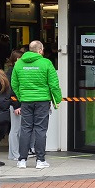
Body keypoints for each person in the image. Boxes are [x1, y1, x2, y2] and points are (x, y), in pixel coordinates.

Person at [12, 40, 62, 169]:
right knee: (40, 129)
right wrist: (57, 99)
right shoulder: (46, 63)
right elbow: (54, 84)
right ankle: (40, 160)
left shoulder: (19, 64)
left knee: (25, 129)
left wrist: (21, 96)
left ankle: (22, 160)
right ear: (40, 50)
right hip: (42, 101)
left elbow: (14, 84)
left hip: (26, 101)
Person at [6, 50, 23, 161]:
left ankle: (14, 153)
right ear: (17, 59)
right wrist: (16, 105)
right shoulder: (12, 72)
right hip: (15, 105)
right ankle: (14, 154)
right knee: (15, 130)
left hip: (17, 104)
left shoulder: (13, 71)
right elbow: (12, 91)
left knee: (17, 129)